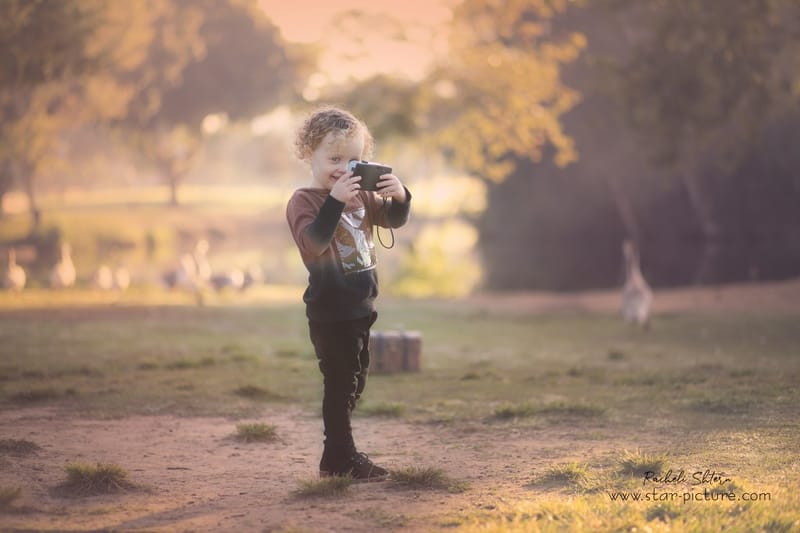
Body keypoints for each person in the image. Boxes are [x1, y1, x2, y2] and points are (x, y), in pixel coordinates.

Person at [286, 106, 412, 481]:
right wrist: (336, 200)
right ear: (309, 154)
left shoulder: (362, 196)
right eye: (334, 159)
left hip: (361, 307)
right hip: (330, 310)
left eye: (353, 160)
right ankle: (340, 458)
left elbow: (392, 220)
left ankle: (336, 454)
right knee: (339, 384)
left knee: (355, 382)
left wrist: (401, 197)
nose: (344, 168)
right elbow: (314, 243)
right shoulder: (304, 201)